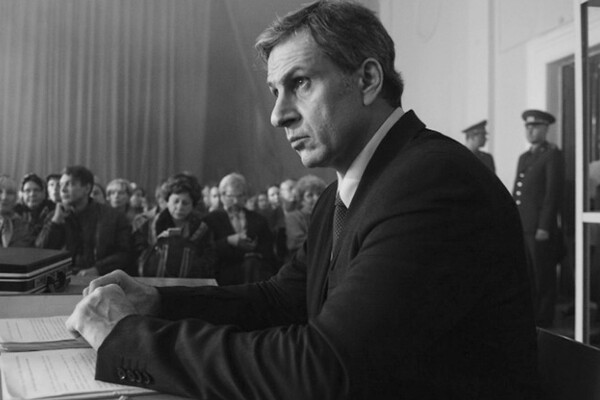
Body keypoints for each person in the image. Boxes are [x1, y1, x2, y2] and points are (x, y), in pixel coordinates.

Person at [66, 2, 538, 399]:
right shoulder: (344, 192)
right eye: (275, 91)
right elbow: (279, 301)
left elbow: (324, 370)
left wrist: (129, 338)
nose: (277, 115)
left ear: (367, 79)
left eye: (300, 83)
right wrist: (155, 302)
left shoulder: (434, 183)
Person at [513, 109, 564, 328]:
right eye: (528, 127)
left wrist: (544, 226)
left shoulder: (552, 154)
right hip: (524, 224)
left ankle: (544, 319)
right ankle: (531, 316)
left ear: (545, 129)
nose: (530, 131)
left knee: (543, 275)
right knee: (527, 274)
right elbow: (517, 192)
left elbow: (552, 194)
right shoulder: (524, 157)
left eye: (535, 127)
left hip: (539, 228)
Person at [37, 165, 133, 277]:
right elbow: (39, 253)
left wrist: (98, 269)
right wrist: (54, 223)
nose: (62, 190)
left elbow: (124, 253)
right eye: (61, 185)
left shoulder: (113, 217)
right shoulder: (54, 216)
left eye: (69, 184)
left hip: (101, 278)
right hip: (62, 278)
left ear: (87, 188)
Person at [133, 174, 215, 278]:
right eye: (176, 201)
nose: (179, 207)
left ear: (193, 205)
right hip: (152, 281)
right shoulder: (148, 226)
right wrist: (159, 244)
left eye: (185, 203)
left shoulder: (201, 230)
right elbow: (137, 257)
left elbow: (208, 261)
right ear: (167, 201)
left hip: (189, 284)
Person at [203, 173, 276, 285]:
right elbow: (206, 250)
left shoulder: (258, 219)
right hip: (223, 275)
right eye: (231, 196)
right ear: (222, 196)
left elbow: (269, 250)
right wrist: (228, 241)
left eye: (240, 196)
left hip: (253, 275)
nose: (236, 201)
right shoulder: (211, 219)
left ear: (245, 196)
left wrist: (253, 248)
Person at [285, 174, 326, 257]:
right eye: (310, 195)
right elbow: (296, 242)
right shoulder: (293, 217)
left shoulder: (327, 216)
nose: (316, 198)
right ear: (301, 199)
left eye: (319, 194)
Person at [14, 173, 55, 241]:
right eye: (27, 191)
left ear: (43, 193)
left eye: (36, 190)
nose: (32, 194)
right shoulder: (15, 212)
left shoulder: (53, 211)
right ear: (21, 194)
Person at [0, 175, 33, 247]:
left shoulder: (23, 226)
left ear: (15, 198)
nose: (4, 197)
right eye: (0, 192)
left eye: (10, 193)